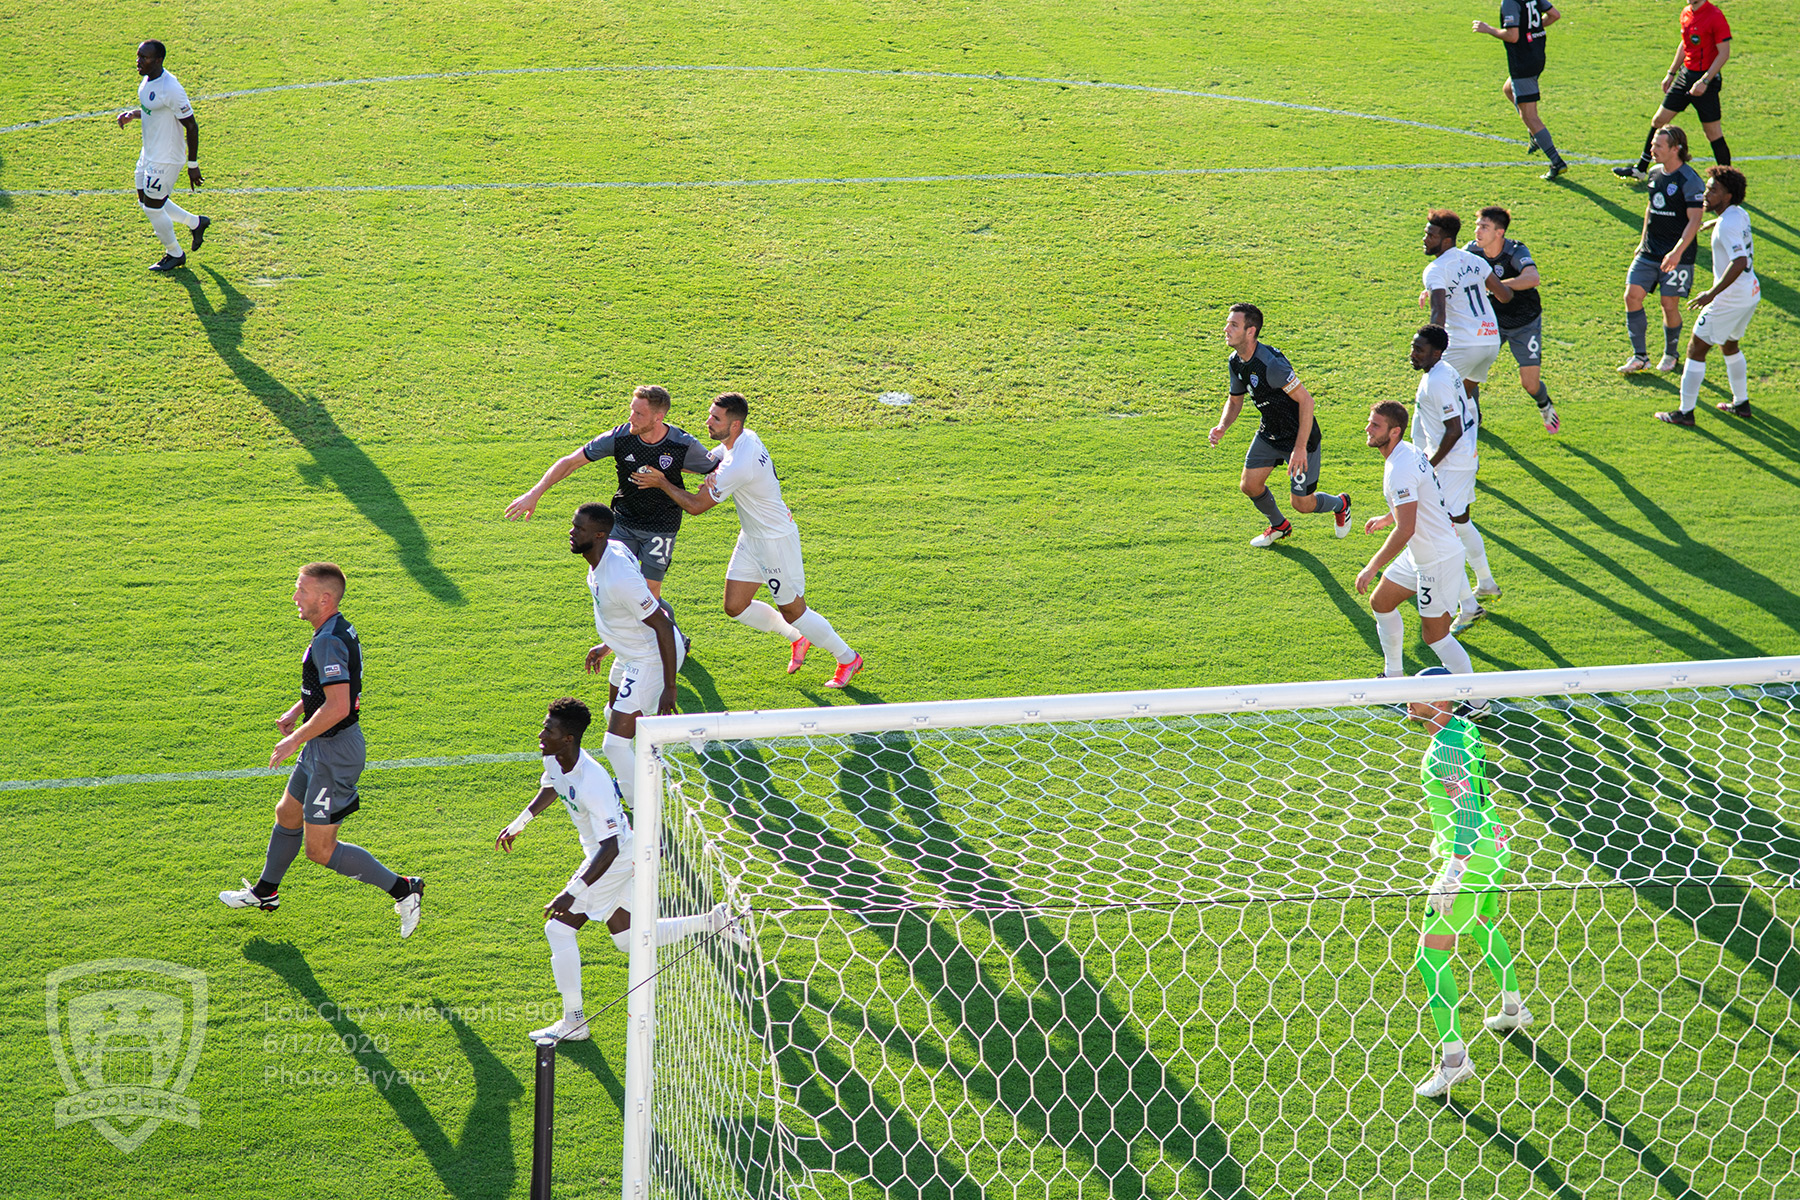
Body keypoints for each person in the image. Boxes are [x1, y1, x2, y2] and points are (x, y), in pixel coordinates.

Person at [495, 697, 747, 1043]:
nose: (541, 734)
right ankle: (712, 921)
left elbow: (609, 847)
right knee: (628, 939)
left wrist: (573, 892)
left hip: (616, 856)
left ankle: (575, 1021)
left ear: (568, 738)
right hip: (616, 853)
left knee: (558, 929)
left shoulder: (592, 783)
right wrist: (520, 822)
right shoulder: (555, 759)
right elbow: (551, 786)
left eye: (548, 729)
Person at [219, 563, 424, 937]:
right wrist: (297, 711)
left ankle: (404, 888)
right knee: (287, 812)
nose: (295, 597)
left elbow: (339, 705)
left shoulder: (328, 638)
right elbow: (334, 685)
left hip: (334, 751)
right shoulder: (336, 628)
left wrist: (294, 738)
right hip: (321, 742)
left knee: (320, 850)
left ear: (325, 598)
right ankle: (266, 892)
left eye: (302, 591)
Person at [633, 393, 865, 688]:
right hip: (753, 536)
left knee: (794, 611)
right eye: (710, 414)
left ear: (735, 424)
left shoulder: (739, 464)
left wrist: (661, 481)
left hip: (775, 542)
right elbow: (707, 462)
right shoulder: (744, 439)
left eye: (716, 419)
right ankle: (798, 637)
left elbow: (695, 507)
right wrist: (672, 462)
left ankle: (847, 658)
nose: (708, 421)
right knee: (735, 606)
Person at [1407, 665, 1532, 1099]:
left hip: (1471, 858)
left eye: (1418, 693)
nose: (1408, 698)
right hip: (1496, 846)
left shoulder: (1444, 748)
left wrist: (1452, 874)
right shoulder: (1464, 730)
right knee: (1482, 925)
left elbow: (1466, 815)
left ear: (1441, 700)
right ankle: (1513, 1008)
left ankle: (1455, 1060)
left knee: (1430, 957)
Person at [506, 385, 718, 602]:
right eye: (631, 410)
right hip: (624, 522)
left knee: (648, 594)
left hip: (661, 528)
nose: (631, 417)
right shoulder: (619, 437)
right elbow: (570, 462)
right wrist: (535, 493)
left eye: (638, 413)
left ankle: (671, 635)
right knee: (610, 585)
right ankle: (623, 636)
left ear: (658, 417)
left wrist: (711, 475)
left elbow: (721, 467)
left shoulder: (682, 444)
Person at [568, 502, 685, 816]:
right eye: (574, 524)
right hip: (629, 651)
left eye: (579, 529)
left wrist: (670, 687)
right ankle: (636, 774)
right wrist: (607, 645)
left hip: (651, 657)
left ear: (600, 534)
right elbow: (627, 615)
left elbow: (661, 624)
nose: (572, 532)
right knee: (612, 714)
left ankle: (643, 810)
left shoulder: (618, 577)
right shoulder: (612, 550)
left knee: (614, 744)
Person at [1355, 403, 1479, 687]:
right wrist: (1389, 516)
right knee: (1381, 601)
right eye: (1369, 422)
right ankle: (1394, 677)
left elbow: (1407, 528)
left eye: (1375, 425)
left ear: (1394, 431)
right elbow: (1422, 496)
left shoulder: (1400, 466)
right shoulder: (1407, 451)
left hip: (1437, 559)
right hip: (1422, 553)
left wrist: (1372, 566)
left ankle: (1477, 701)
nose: (1368, 429)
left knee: (1435, 636)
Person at [1209, 303, 1351, 548]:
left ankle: (1341, 504)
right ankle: (1280, 526)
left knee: (1302, 504)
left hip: (1300, 438)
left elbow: (1307, 402)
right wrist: (1223, 426)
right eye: (1228, 323)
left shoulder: (1272, 365)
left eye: (1233, 325)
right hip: (1270, 432)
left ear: (1250, 331)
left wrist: (1298, 449)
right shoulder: (1236, 361)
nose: (1226, 329)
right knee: (1249, 485)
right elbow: (1235, 400)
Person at [1408, 327, 1501, 633]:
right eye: (1413, 347)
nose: (1413, 353)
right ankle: (1486, 582)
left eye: (1420, 350)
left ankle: (1470, 607)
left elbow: (1454, 428)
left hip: (1450, 466)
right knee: (1460, 521)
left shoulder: (1437, 381)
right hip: (1462, 461)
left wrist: (1428, 465)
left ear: (1436, 352)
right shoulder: (1445, 370)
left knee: (1439, 537)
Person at [1657, 166, 1761, 425]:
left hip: (1730, 298)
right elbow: (1733, 229)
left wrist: (1710, 294)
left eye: (1713, 189)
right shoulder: (1738, 214)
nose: (1706, 193)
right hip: (1751, 292)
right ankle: (1741, 403)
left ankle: (1685, 412)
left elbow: (1737, 262)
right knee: (1730, 344)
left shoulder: (1727, 226)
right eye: (1707, 187)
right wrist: (1712, 223)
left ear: (1727, 196)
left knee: (1696, 348)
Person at [1613, 0, 1734, 183]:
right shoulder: (1686, 12)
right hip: (1685, 76)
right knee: (1659, 120)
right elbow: (1684, 44)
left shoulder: (1715, 16)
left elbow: (1723, 53)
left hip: (1706, 81)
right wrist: (1671, 73)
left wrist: (1705, 81)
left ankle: (1728, 181)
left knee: (1713, 133)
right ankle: (1640, 169)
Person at [116, 40, 210, 272]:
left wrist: (193, 164)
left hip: (166, 157)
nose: (138, 62)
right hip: (148, 151)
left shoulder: (172, 89)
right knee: (144, 200)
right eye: (138, 56)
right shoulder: (147, 79)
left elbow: (192, 126)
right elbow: (153, 110)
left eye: (144, 58)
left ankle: (174, 253)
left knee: (152, 207)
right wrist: (133, 114)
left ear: (158, 60)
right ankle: (196, 223)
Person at [1618, 126, 1705, 375]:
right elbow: (1651, 208)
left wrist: (1677, 252)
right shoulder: (1655, 173)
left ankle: (1671, 354)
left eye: (1658, 146)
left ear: (1675, 149)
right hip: (1650, 250)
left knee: (1669, 304)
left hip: (1678, 254)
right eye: (1653, 144)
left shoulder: (1689, 180)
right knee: (1631, 296)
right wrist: (1642, 240)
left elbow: (1695, 220)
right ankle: (1640, 356)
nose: (1652, 150)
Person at [1468, 206, 1560, 434]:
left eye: (1484, 227)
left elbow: (1532, 277)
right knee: (1470, 369)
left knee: (1529, 384)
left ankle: (1544, 404)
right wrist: (1430, 289)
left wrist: (1495, 285)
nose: (1477, 231)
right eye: (1477, 225)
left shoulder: (1515, 251)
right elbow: (1451, 268)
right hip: (1492, 323)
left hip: (1524, 322)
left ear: (1499, 233)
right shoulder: (1472, 251)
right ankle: (1473, 416)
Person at [1472, 0, 1568, 180]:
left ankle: (1556, 161)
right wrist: (1531, 30)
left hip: (1523, 63)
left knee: (1529, 116)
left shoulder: (1510, 2)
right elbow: (1554, 15)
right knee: (1508, 89)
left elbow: (1512, 36)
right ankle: (1535, 135)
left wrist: (1489, 29)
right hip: (1537, 55)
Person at [1419, 211, 1503, 407]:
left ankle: (1437, 437)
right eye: (1426, 233)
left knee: (1429, 398)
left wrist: (1433, 348)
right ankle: (1469, 429)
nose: (1425, 240)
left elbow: (1438, 312)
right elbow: (1505, 294)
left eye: (1431, 236)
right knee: (1461, 398)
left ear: (1447, 241)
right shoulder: (1476, 261)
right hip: (1490, 342)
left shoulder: (1436, 269)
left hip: (1464, 344)